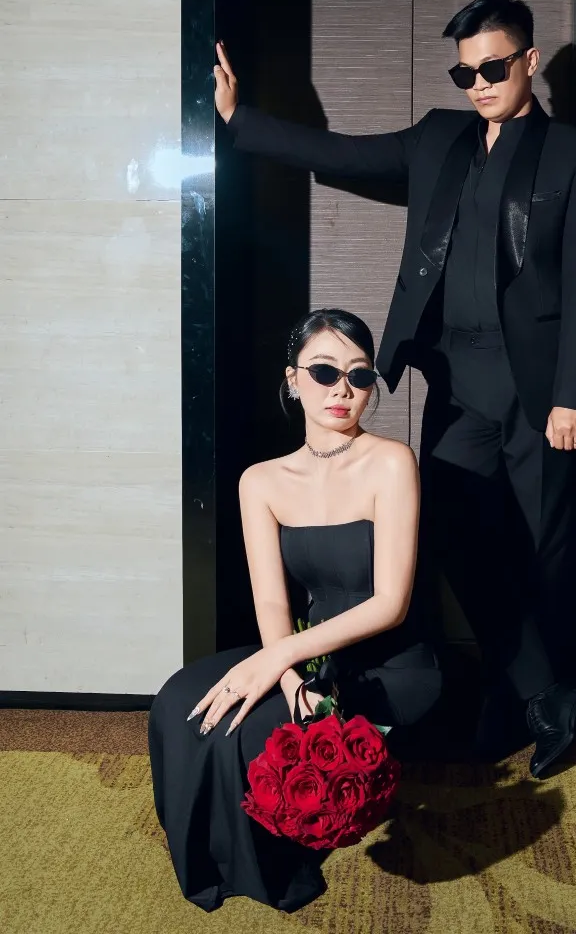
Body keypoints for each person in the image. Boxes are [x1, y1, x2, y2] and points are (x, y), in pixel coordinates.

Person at [214, 0, 576, 778]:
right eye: (464, 73)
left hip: (540, 394)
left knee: (544, 555)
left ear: (529, 61)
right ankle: (544, 696)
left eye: (493, 68)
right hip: (458, 387)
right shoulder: (440, 140)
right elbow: (344, 154)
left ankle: (534, 701)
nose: (479, 84)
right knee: (457, 540)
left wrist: (574, 395)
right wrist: (242, 122)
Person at [148, 309, 441, 914]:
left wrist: (278, 659)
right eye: (325, 371)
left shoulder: (392, 461)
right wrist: (285, 678)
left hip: (390, 663)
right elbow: (272, 601)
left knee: (245, 730)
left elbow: (391, 605)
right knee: (179, 702)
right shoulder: (260, 481)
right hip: (309, 654)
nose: (342, 389)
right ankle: (211, 866)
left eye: (360, 376)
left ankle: (268, 868)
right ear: (292, 380)